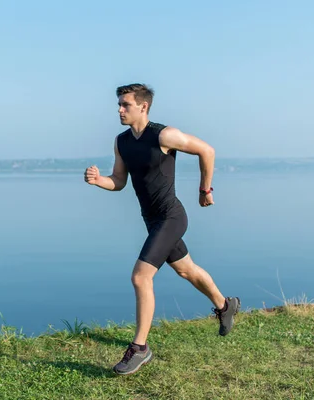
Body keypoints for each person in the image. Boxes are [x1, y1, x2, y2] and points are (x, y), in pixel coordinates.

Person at [84, 83, 240, 375]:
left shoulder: (164, 135)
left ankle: (140, 348)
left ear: (143, 106)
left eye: (125, 105)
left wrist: (205, 189)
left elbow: (207, 150)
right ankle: (225, 305)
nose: (119, 110)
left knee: (141, 277)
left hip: (171, 216)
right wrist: (98, 180)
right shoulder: (121, 141)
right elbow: (118, 181)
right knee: (186, 269)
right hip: (152, 219)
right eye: (118, 104)